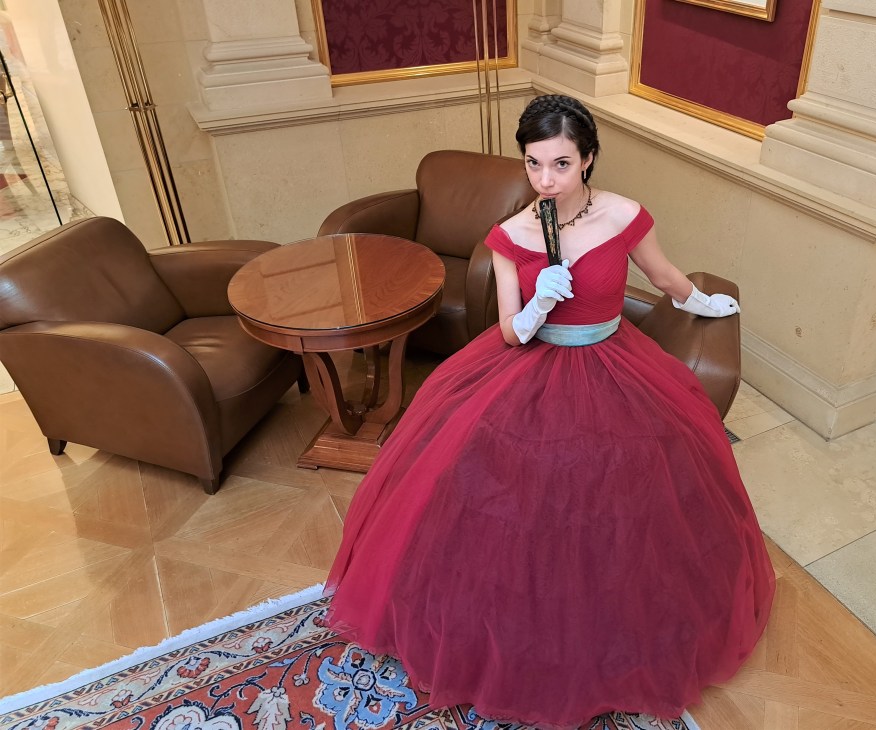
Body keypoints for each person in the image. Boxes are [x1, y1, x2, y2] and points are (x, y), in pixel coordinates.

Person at [322, 94, 775, 728]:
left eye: (561, 164)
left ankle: (613, 629)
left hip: (613, 360)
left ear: (587, 159)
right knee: (506, 501)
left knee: (615, 505)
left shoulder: (624, 215)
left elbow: (665, 276)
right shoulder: (511, 234)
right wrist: (537, 308)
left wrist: (701, 302)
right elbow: (510, 332)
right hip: (532, 361)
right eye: (534, 164)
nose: (546, 179)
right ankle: (511, 635)